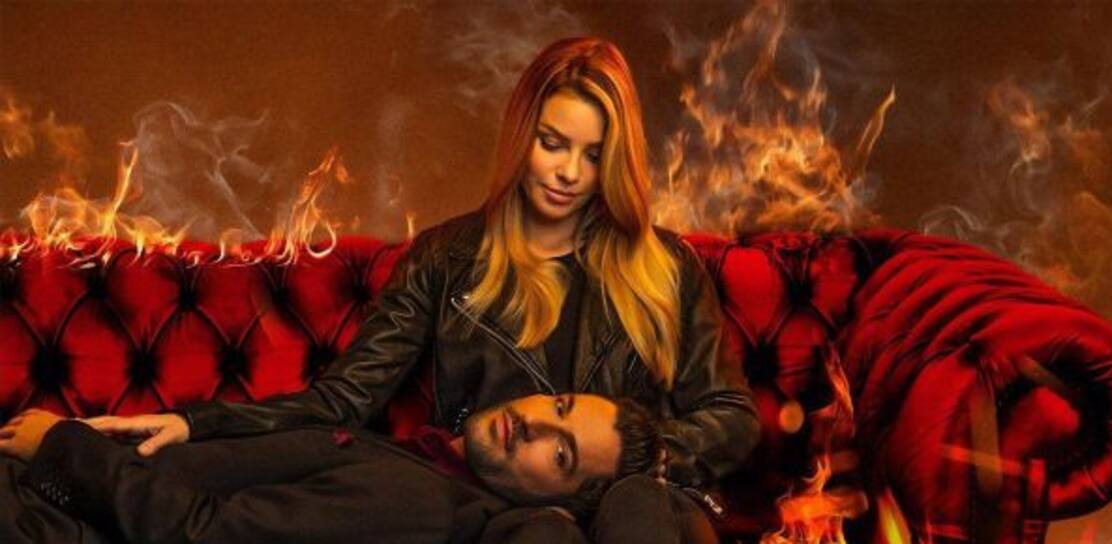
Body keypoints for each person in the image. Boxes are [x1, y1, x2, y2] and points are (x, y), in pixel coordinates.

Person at [71, 36, 760, 542]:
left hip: (642, 502)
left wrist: (636, 458)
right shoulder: (447, 257)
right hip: (507, 510)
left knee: (633, 508)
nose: (569, 174)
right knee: (542, 535)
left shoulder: (662, 266)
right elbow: (344, 399)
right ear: (522, 134)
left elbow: (730, 413)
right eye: (554, 143)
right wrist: (200, 422)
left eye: (593, 155)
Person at [0, 393, 660, 544]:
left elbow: (204, 535)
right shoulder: (423, 459)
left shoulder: (418, 505)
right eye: (561, 405)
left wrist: (60, 446)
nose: (539, 423)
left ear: (558, 499)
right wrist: (197, 422)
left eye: (562, 453)